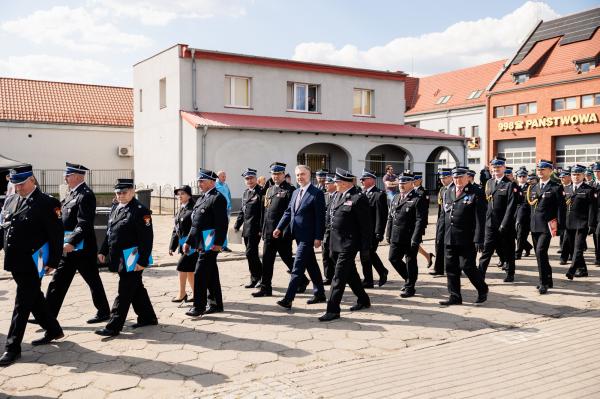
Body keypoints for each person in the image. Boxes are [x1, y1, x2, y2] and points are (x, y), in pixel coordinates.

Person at [0, 165, 64, 366]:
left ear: (32, 180)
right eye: (15, 184)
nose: (18, 188)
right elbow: (5, 229)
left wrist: (53, 261)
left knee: (22, 302)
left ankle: (12, 347)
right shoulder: (11, 200)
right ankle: (53, 329)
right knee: (34, 297)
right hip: (15, 260)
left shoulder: (47, 203)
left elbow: (56, 235)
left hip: (34, 262)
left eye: (21, 184)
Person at [44, 162, 110, 324]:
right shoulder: (71, 193)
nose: (65, 178)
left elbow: (84, 223)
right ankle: (46, 315)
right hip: (67, 246)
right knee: (58, 281)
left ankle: (103, 311)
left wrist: (72, 242)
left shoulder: (86, 195)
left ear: (77, 176)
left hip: (82, 248)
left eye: (68, 175)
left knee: (93, 280)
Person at [95, 178, 157, 336]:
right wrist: (103, 250)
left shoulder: (140, 210)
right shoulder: (116, 206)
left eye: (124, 192)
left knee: (124, 291)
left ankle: (113, 326)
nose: (121, 195)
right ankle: (147, 317)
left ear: (132, 191)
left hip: (132, 258)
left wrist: (143, 261)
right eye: (118, 192)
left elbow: (147, 239)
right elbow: (110, 231)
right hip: (119, 257)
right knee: (136, 288)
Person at [319, 168, 371, 322]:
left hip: (349, 244)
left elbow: (366, 226)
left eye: (336, 181)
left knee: (338, 277)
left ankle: (333, 310)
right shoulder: (336, 196)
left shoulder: (358, 198)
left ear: (343, 183)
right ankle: (363, 299)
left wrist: (365, 248)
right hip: (335, 242)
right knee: (351, 275)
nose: (334, 184)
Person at [275, 165, 327, 310]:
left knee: (297, 267)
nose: (300, 177)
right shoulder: (296, 192)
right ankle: (320, 293)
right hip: (297, 235)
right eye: (297, 175)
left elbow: (320, 218)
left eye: (302, 174)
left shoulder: (316, 193)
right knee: (311, 265)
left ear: (309, 175)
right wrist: (279, 227)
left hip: (308, 236)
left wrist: (318, 237)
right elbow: (288, 212)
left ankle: (288, 299)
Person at [254, 162, 308, 297]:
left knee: (287, 258)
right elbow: (264, 212)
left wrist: (286, 231)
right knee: (267, 260)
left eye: (278, 174)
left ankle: (302, 279)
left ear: (284, 174)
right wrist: (262, 228)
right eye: (273, 174)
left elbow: (292, 213)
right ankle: (265, 288)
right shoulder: (269, 189)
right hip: (269, 232)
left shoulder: (290, 190)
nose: (276, 176)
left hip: (282, 233)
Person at [439, 166, 488, 306]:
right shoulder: (448, 192)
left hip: (467, 238)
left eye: (460, 177)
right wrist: (440, 235)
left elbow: (480, 218)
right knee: (451, 268)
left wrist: (479, 238)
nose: (457, 180)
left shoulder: (476, 192)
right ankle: (455, 296)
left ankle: (482, 288)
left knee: (467, 267)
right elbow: (444, 216)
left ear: (467, 177)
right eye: (455, 177)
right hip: (450, 236)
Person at [183, 169, 229, 317]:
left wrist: (218, 243)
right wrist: (188, 241)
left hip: (210, 244)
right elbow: (195, 223)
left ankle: (199, 307)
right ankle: (216, 304)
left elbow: (222, 224)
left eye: (202, 181)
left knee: (200, 274)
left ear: (211, 181)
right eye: (199, 181)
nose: (199, 184)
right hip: (200, 243)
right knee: (211, 274)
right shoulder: (203, 198)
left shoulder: (218, 198)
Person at [526, 160, 566, 294]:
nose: (540, 172)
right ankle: (548, 278)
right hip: (535, 225)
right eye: (538, 170)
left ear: (550, 171)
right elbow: (530, 208)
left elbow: (561, 208)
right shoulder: (533, 187)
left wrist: (561, 226)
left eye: (543, 170)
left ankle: (543, 283)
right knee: (540, 255)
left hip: (547, 226)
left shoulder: (556, 187)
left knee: (540, 252)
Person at [386, 172, 428, 298]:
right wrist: (388, 234)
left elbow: (420, 220)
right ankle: (408, 279)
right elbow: (390, 217)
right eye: (400, 183)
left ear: (411, 183)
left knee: (410, 261)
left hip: (410, 236)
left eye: (404, 183)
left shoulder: (418, 198)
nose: (401, 185)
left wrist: (416, 238)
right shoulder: (396, 197)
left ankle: (410, 287)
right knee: (393, 258)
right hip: (396, 235)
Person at [478, 156, 518, 282]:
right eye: (494, 167)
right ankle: (480, 274)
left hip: (505, 224)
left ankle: (510, 273)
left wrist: (504, 224)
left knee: (508, 249)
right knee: (487, 250)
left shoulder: (510, 184)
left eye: (498, 167)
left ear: (503, 168)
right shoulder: (489, 183)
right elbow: (487, 203)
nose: (496, 170)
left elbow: (511, 207)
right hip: (490, 223)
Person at [564, 165, 597, 279]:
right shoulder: (566, 189)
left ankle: (572, 270)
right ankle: (583, 270)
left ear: (583, 175)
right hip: (569, 223)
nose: (576, 177)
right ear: (571, 176)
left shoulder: (589, 190)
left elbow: (592, 209)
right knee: (573, 248)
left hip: (582, 223)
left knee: (578, 248)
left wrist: (591, 224)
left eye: (578, 174)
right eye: (574, 174)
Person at [359, 169, 389, 288]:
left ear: (371, 180)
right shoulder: (362, 193)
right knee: (365, 255)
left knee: (368, 254)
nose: (361, 181)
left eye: (364, 179)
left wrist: (379, 232)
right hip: (362, 232)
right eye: (361, 179)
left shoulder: (379, 194)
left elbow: (381, 216)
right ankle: (370, 279)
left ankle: (378, 274)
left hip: (372, 232)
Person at [234, 168, 264, 289]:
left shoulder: (261, 192)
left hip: (256, 229)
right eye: (247, 179)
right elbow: (243, 211)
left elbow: (263, 212)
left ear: (256, 179)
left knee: (251, 253)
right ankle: (256, 277)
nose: (249, 180)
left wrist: (261, 228)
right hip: (247, 228)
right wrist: (237, 224)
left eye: (251, 178)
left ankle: (258, 277)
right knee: (251, 254)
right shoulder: (246, 193)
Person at [168, 185, 197, 303]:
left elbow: (195, 228)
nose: (179, 196)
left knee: (181, 267)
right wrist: (172, 246)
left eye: (182, 193)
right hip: (182, 244)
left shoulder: (192, 209)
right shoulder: (181, 209)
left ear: (189, 196)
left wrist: (190, 242)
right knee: (189, 270)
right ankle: (196, 294)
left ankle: (182, 294)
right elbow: (176, 229)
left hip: (191, 245)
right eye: (178, 194)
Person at [431, 168, 453, 276]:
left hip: (451, 221)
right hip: (442, 220)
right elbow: (441, 208)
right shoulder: (442, 190)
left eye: (445, 177)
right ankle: (438, 268)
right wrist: (439, 221)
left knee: (450, 245)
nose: (442, 180)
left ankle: (452, 267)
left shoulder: (455, 189)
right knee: (439, 243)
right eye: (441, 178)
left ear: (451, 177)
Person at [412, 172, 434, 268]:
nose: (413, 182)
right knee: (413, 243)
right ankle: (427, 256)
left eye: (415, 180)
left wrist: (422, 223)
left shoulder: (424, 191)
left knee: (414, 243)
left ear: (420, 180)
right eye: (412, 180)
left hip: (419, 221)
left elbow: (425, 209)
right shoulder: (410, 190)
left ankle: (412, 266)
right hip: (409, 221)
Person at [514, 168, 533, 260]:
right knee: (514, 233)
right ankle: (528, 246)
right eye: (520, 176)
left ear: (526, 177)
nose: (522, 178)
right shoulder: (514, 186)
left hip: (525, 214)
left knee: (521, 233)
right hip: (514, 212)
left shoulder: (530, 187)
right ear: (517, 177)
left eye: (524, 176)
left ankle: (518, 253)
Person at [322, 175, 337, 285]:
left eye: (328, 183)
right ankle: (328, 276)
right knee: (325, 254)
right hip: (325, 230)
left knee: (334, 255)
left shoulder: (338, 196)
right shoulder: (324, 196)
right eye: (325, 183)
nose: (326, 185)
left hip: (335, 231)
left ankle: (338, 275)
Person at [558, 167, 573, 265]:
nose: (562, 178)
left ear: (569, 177)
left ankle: (567, 256)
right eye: (561, 177)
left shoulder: (573, 187)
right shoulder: (559, 188)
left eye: (564, 177)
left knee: (569, 238)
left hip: (572, 216)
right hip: (562, 216)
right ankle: (565, 255)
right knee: (564, 237)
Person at [215, 170, 232, 252]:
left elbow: (229, 195)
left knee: (225, 228)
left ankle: (224, 246)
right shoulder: (215, 185)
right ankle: (218, 245)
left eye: (225, 176)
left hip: (227, 210)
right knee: (219, 228)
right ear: (218, 177)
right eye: (223, 176)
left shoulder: (226, 185)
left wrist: (230, 206)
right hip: (219, 210)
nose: (224, 178)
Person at [592, 162, 600, 266]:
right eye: (595, 171)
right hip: (593, 214)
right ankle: (597, 255)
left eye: (598, 171)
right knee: (595, 235)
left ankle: (598, 258)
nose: (596, 173)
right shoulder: (591, 185)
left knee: (598, 234)